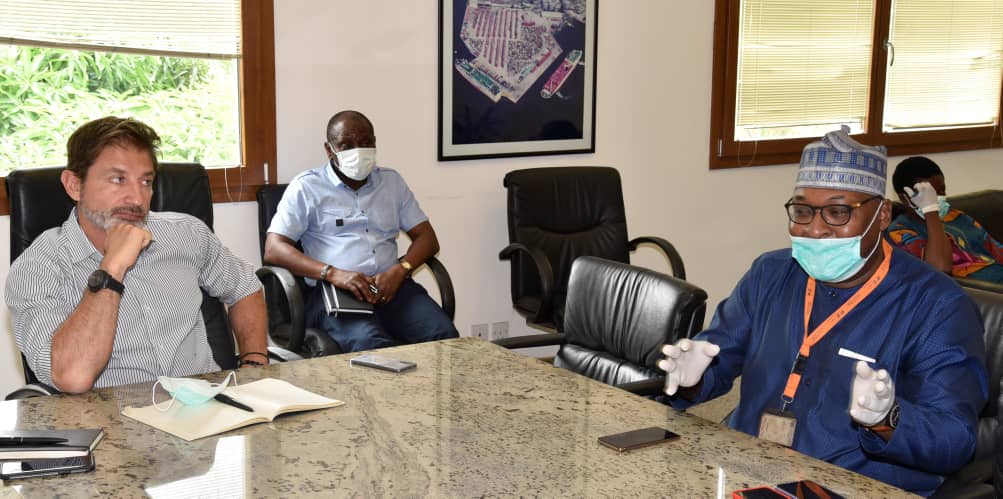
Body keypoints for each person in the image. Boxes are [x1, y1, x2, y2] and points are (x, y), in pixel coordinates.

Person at [658, 128, 987, 496]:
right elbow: (717, 359)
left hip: (854, 486)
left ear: (882, 215)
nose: (815, 229)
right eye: (802, 211)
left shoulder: (937, 305)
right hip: (749, 470)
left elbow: (955, 441)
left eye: (837, 212)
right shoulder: (770, 273)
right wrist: (692, 379)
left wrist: (886, 419)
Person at [5, 116, 269, 394]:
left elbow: (245, 287)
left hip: (204, 405)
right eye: (118, 179)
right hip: (111, 416)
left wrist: (253, 363)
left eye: (146, 181)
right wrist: (112, 269)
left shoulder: (186, 234)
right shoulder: (37, 269)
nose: (136, 198)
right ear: (75, 185)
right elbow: (72, 376)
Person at [264, 110, 458, 352]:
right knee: (372, 349)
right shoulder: (306, 187)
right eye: (346, 145)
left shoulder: (392, 182)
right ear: (329, 150)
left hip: (392, 286)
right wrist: (332, 273)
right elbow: (274, 249)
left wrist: (402, 269)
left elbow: (427, 238)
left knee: (445, 338)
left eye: (366, 142)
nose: (358, 151)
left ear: (375, 143)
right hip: (338, 291)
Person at [888, 156, 1003, 282]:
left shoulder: (956, 216)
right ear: (905, 198)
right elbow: (940, 269)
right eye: (931, 194)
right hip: (984, 290)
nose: (940, 197)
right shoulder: (900, 231)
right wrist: (930, 210)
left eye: (942, 190)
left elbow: (997, 251)